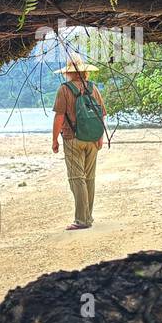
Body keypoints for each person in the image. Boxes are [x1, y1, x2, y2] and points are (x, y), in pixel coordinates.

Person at [52, 52, 107, 230]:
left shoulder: (64, 89)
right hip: (92, 138)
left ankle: (81, 220)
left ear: (68, 72)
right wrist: (100, 137)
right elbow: (102, 114)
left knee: (77, 178)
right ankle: (88, 217)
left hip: (72, 138)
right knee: (89, 178)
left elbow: (59, 117)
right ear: (84, 72)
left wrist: (54, 140)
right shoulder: (93, 88)